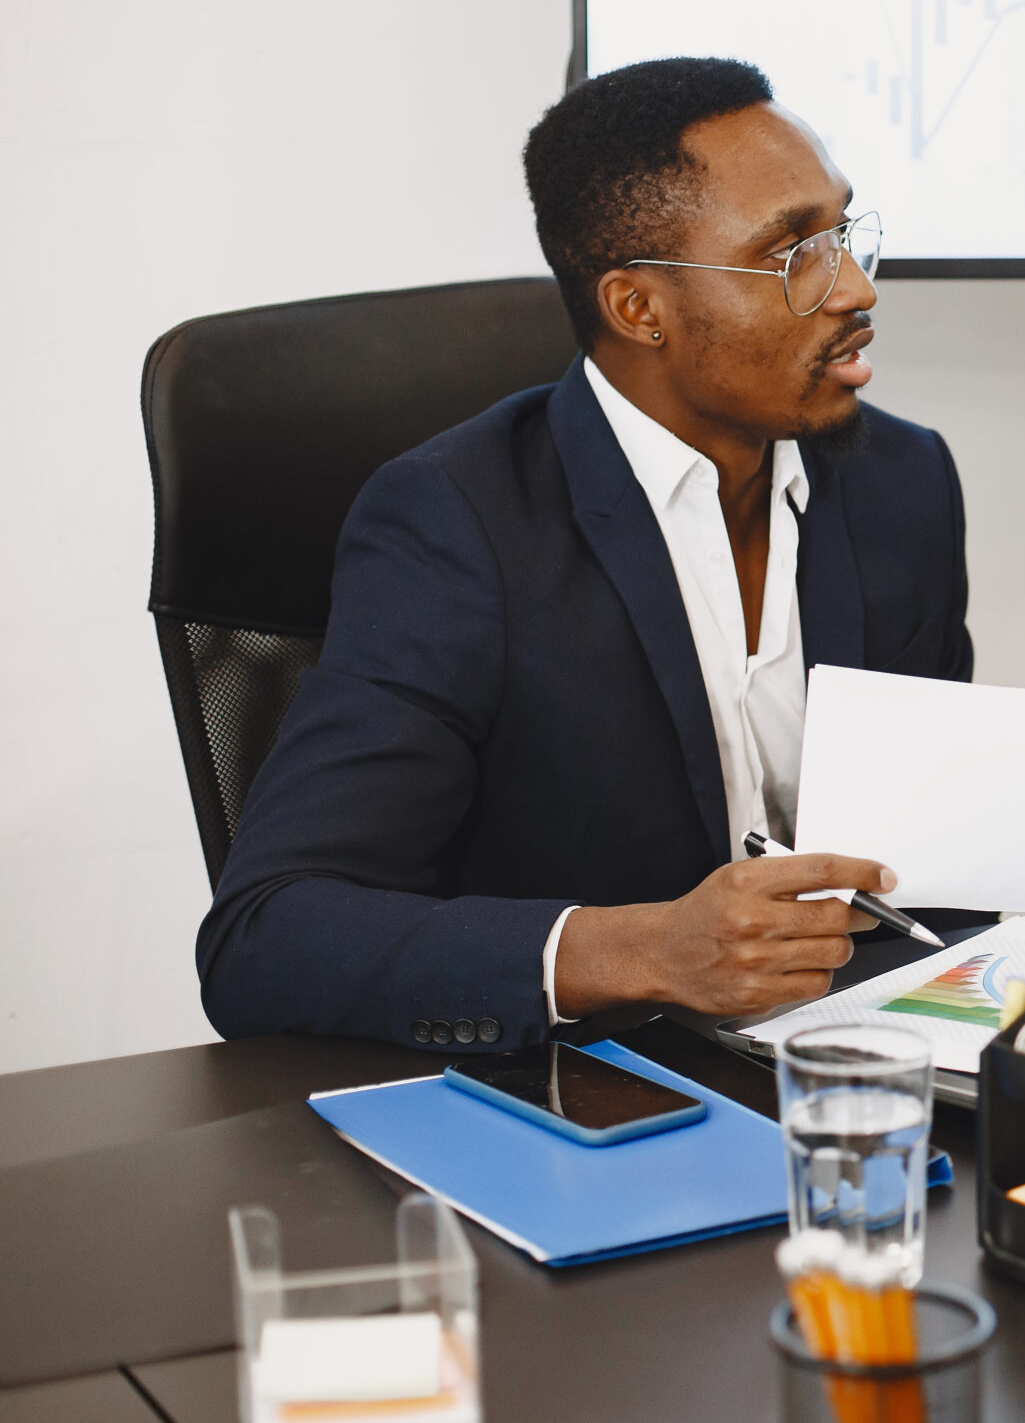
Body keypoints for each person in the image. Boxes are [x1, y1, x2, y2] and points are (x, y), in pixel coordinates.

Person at [198, 56, 973, 1050]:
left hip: (850, 1063)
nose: (854, 287)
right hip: (588, 1093)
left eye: (845, 232)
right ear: (638, 308)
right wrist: (646, 951)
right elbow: (265, 938)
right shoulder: (454, 526)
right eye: (792, 255)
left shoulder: (900, 479)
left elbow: (927, 844)